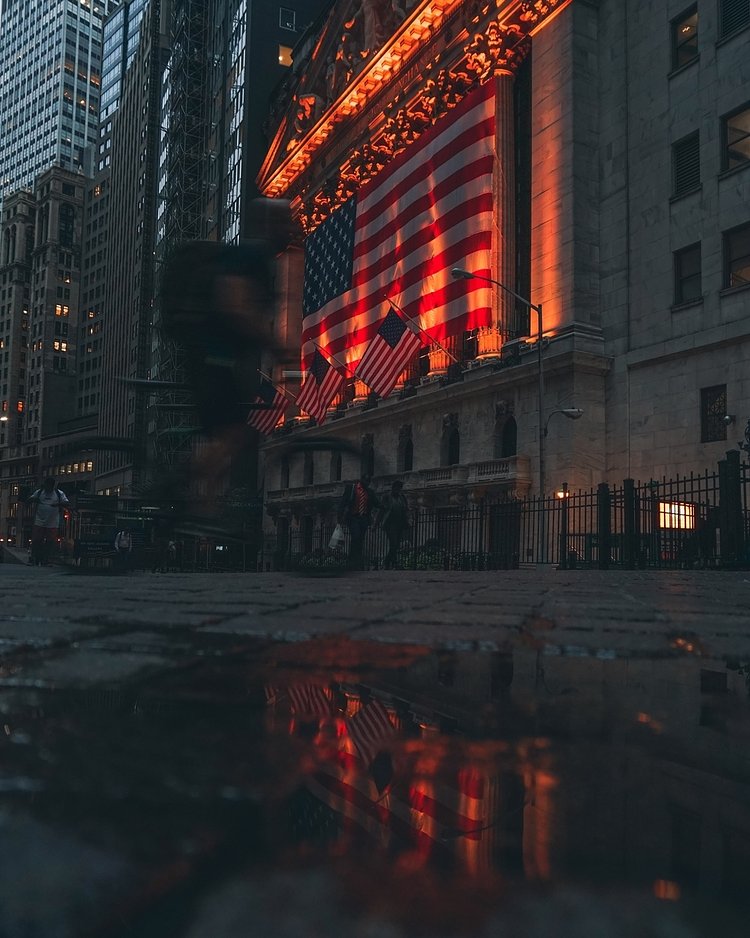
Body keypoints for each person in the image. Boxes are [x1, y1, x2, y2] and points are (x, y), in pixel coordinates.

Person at [339, 474, 379, 570]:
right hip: (353, 517)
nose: (367, 484)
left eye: (368, 482)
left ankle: (357, 562)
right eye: (365, 481)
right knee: (356, 536)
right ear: (361, 480)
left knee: (360, 540)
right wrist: (340, 516)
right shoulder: (352, 489)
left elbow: (377, 503)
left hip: (364, 518)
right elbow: (343, 502)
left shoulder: (369, 492)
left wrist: (385, 506)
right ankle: (352, 560)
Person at [28, 477, 69, 566]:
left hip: (53, 521)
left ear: (53, 486)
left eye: (50, 486)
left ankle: (46, 559)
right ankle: (34, 558)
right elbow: (29, 499)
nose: (48, 488)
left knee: (50, 541)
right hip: (39, 520)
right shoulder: (39, 493)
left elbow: (66, 503)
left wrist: (58, 504)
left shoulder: (59, 494)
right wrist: (34, 499)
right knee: (36, 540)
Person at [378, 480, 409, 570]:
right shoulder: (386, 497)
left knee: (396, 544)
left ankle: (387, 562)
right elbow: (381, 511)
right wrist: (376, 524)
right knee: (393, 543)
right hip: (390, 523)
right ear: (393, 488)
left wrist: (407, 519)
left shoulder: (402, 497)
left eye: (400, 488)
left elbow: (405, 509)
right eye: (397, 488)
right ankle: (394, 563)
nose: (398, 490)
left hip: (399, 523)